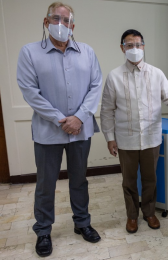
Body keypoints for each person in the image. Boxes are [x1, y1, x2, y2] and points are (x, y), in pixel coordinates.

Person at [17, 2, 102, 257]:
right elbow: (30, 92)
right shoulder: (30, 53)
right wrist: (61, 119)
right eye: (56, 18)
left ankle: (82, 223)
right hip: (47, 132)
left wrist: (79, 117)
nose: (61, 24)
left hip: (81, 131)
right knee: (46, 184)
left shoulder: (87, 52)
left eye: (66, 21)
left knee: (79, 180)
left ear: (72, 26)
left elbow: (95, 86)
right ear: (46, 22)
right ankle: (43, 230)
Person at [100, 29, 168, 234]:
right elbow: (106, 111)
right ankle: (131, 216)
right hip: (126, 139)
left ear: (144, 47)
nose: (134, 49)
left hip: (151, 137)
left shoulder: (156, 74)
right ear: (122, 48)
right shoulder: (114, 77)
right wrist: (110, 138)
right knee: (128, 181)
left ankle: (148, 212)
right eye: (129, 45)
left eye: (138, 44)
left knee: (150, 178)